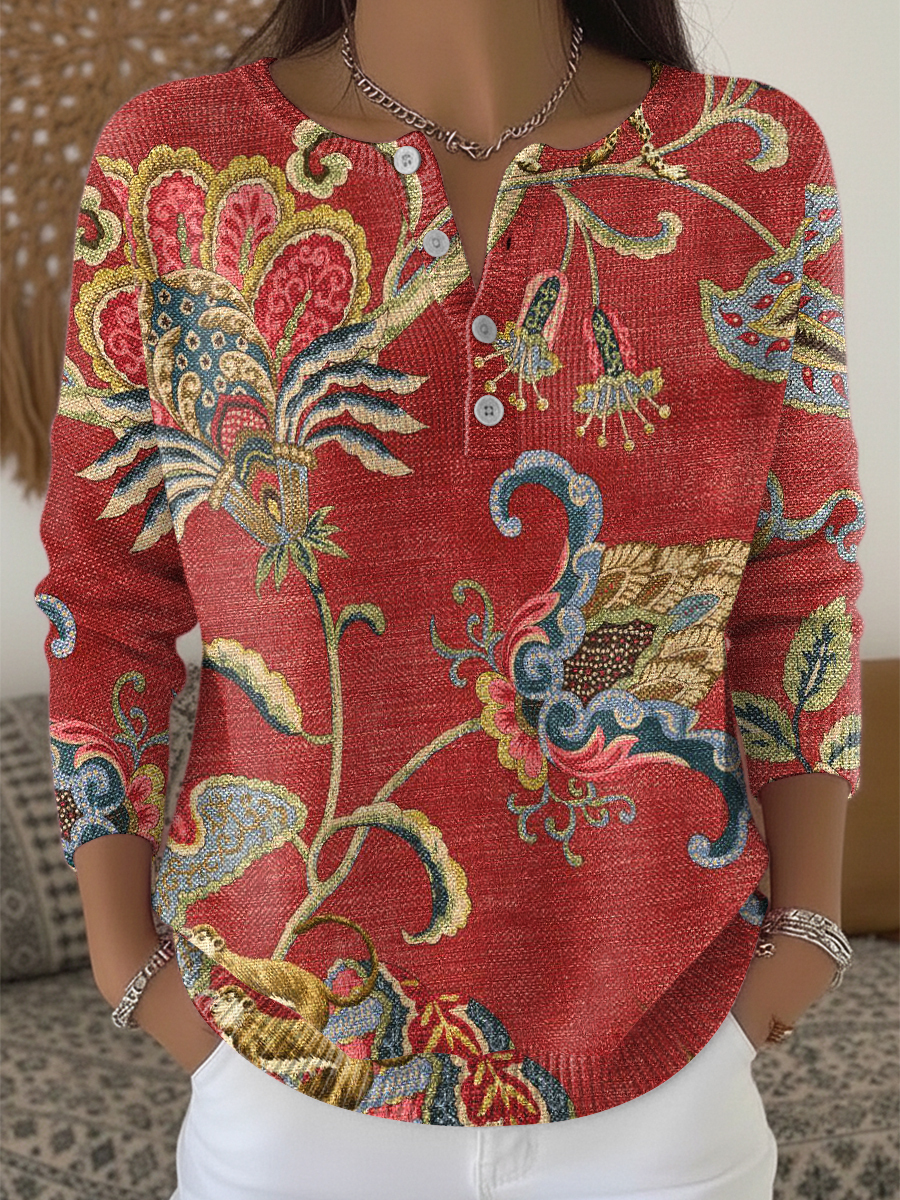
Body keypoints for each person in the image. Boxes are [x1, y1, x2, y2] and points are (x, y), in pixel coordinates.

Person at [34, 0, 865, 1196]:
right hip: (283, 1070)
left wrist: (806, 943)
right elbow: (107, 594)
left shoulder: (748, 156)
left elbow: (798, 573)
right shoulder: (177, 158)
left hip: (672, 1070)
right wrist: (131, 967)